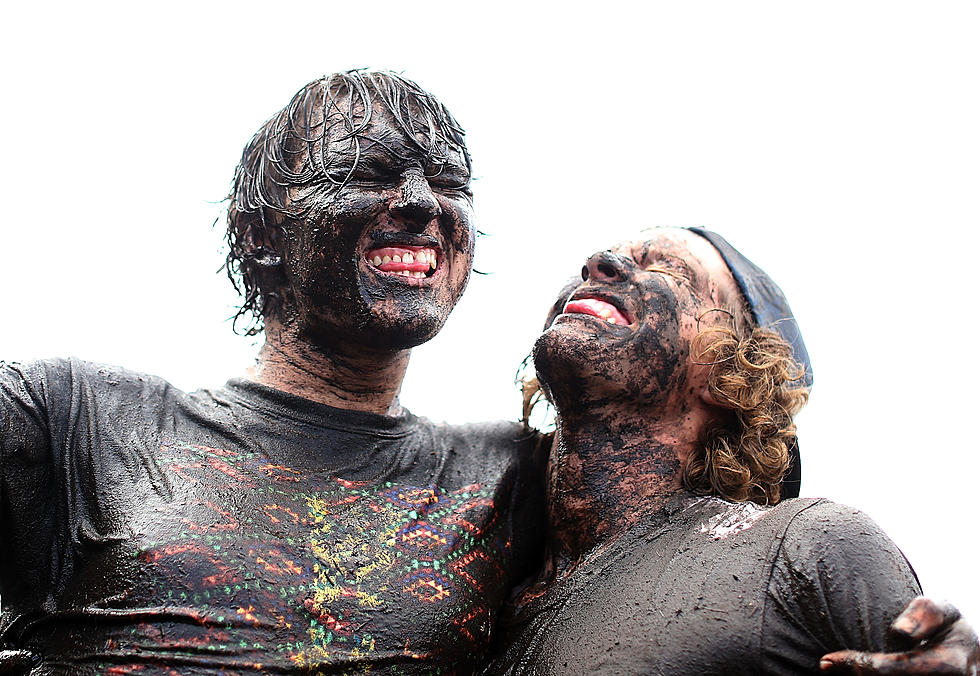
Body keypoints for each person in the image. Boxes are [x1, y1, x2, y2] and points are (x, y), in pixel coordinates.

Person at [0, 71, 972, 675]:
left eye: (447, 186)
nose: (422, 205)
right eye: (369, 170)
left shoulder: (503, 483)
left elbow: (725, 537)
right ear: (257, 237)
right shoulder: (72, 420)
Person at [485, 227, 979, 675]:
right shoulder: (473, 570)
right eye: (610, 254)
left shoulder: (805, 548)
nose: (599, 263)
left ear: (730, 375)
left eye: (670, 269)